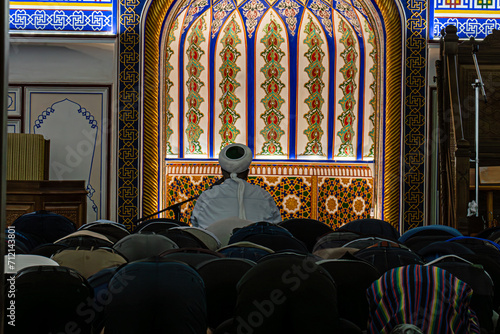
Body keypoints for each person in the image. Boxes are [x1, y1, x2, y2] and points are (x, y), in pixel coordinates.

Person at [190, 143, 281, 229]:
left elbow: (196, 226)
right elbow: (276, 226)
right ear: (247, 173)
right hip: (254, 244)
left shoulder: (207, 196)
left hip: (216, 245)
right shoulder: (264, 196)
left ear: (222, 172)